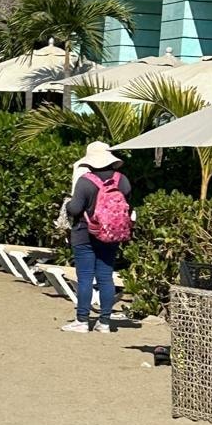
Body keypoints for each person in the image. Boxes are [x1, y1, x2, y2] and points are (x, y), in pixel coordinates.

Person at [61, 141, 132, 334]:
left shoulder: (85, 181)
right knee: (105, 277)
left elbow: (75, 208)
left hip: (84, 233)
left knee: (85, 277)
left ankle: (82, 320)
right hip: (111, 234)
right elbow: (128, 206)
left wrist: (67, 204)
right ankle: (105, 322)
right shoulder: (122, 180)